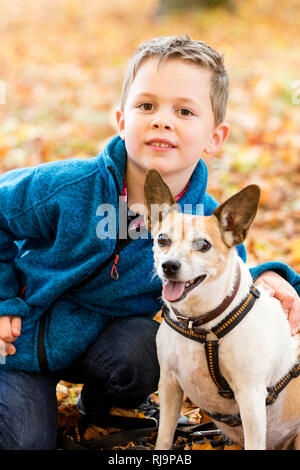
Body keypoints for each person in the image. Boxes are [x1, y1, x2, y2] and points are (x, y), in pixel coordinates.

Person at [0, 35, 299, 450]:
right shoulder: (68, 187)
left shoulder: (207, 219)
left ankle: (102, 407)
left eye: (184, 111)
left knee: (149, 344)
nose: (162, 120)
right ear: (122, 120)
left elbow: (230, 274)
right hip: (19, 342)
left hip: (107, 347)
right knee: (22, 442)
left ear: (215, 136)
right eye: (147, 106)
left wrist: (270, 276)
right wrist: (3, 303)